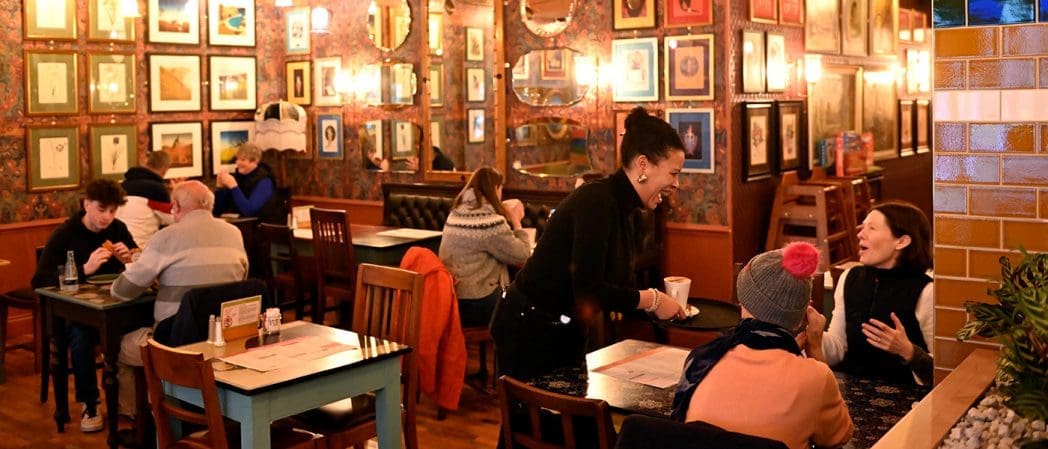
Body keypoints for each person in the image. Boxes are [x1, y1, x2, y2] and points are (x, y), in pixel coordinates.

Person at [490, 106, 686, 380]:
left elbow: (617, 288)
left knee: (572, 420)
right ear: (643, 165)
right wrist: (652, 300)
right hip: (529, 326)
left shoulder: (623, 208)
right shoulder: (597, 202)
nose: (676, 184)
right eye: (673, 173)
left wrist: (666, 308)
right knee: (536, 422)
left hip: (563, 327)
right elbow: (589, 290)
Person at [673, 242, 854, 449]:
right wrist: (816, 354)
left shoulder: (702, 358)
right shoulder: (815, 377)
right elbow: (839, 437)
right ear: (802, 318)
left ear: (741, 299)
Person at [111, 180, 249, 418]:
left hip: (176, 343)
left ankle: (140, 418)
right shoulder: (234, 233)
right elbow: (241, 279)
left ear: (174, 206)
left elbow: (123, 290)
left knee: (116, 347)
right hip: (226, 338)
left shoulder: (166, 237)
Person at [31, 179, 138, 433]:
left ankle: (137, 404)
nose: (107, 217)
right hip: (76, 310)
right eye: (102, 210)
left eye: (112, 211)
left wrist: (130, 258)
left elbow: (138, 263)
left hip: (114, 305)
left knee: (148, 322)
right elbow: (39, 280)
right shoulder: (65, 234)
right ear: (86, 204)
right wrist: (84, 269)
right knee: (80, 334)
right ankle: (90, 403)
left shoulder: (118, 229)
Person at [805, 201, 934, 385]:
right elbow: (839, 348)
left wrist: (909, 352)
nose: (860, 234)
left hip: (906, 399)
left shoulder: (926, 290)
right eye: (863, 226)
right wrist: (813, 332)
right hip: (850, 391)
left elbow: (943, 372)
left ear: (902, 241)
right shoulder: (850, 277)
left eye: (871, 228)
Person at [439, 167, 532, 328]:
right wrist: (516, 220)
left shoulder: (455, 213)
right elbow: (523, 255)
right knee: (526, 308)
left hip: (451, 299)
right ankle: (509, 352)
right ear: (495, 189)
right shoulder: (489, 221)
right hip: (476, 302)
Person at [213, 142, 282, 224]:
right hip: (236, 225)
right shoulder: (237, 176)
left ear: (255, 161)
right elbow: (217, 211)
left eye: (242, 160)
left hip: (260, 229)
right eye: (237, 159)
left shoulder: (265, 181)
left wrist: (234, 187)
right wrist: (220, 188)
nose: (238, 163)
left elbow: (249, 211)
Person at [115, 151, 173, 249]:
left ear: (146, 163)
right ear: (165, 169)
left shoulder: (122, 185)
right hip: (140, 246)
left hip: (117, 244)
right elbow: (174, 219)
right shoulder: (156, 189)